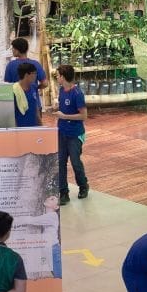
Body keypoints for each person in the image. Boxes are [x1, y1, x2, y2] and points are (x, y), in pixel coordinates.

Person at [55, 64, 89, 204]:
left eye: (57, 75)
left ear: (63, 77)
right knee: (60, 163)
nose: (56, 77)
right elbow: (64, 109)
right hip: (61, 132)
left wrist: (64, 116)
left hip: (75, 134)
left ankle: (83, 185)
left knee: (75, 162)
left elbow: (84, 116)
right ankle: (63, 193)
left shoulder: (77, 94)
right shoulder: (61, 91)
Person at [12, 62, 41, 127]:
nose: (36, 76)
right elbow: (12, 115)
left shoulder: (34, 87)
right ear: (26, 75)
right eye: (34, 73)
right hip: (21, 129)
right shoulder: (14, 91)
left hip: (34, 127)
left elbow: (36, 110)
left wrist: (41, 125)